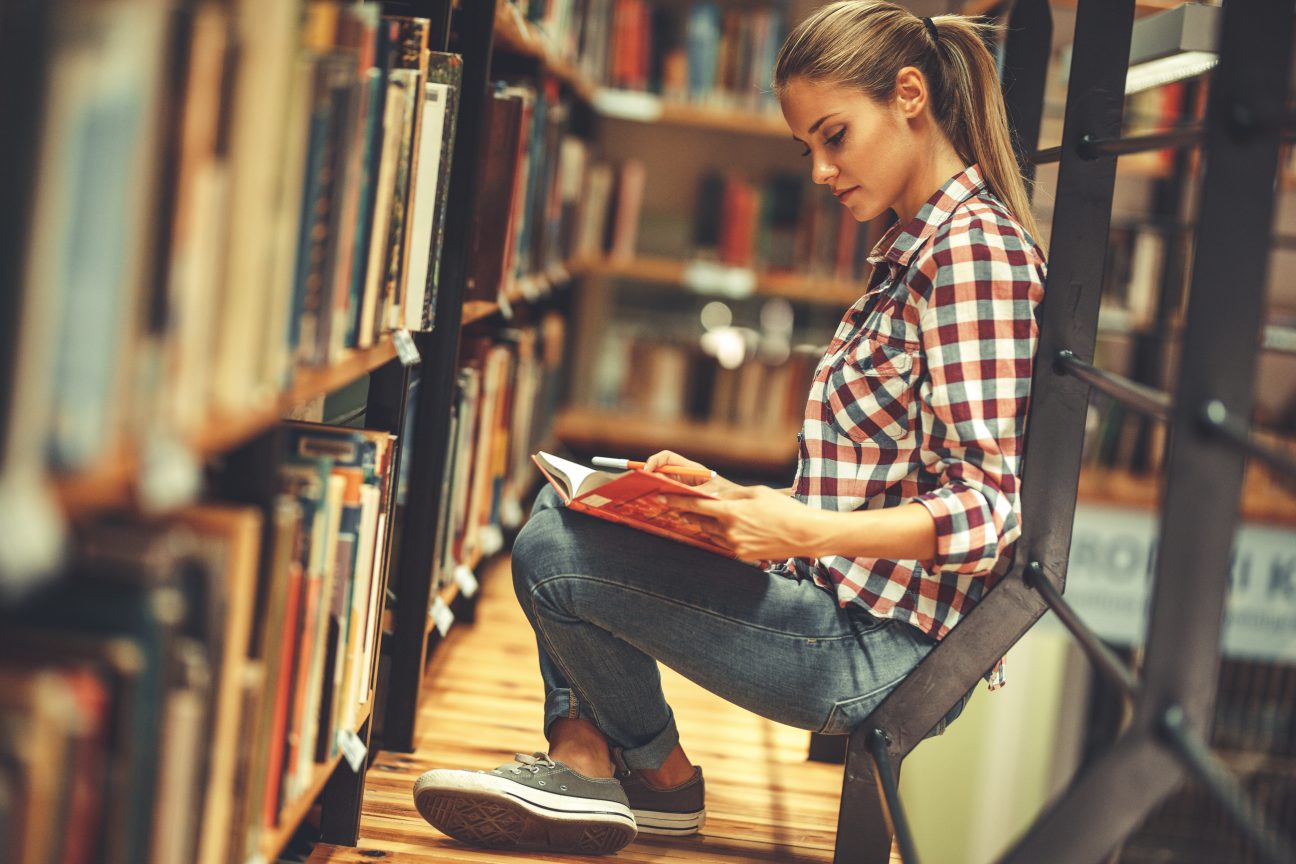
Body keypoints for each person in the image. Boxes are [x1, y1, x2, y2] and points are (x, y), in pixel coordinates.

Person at [412, 1, 1047, 855]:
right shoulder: (918, 250)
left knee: (554, 554)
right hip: (843, 603)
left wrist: (798, 528)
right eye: (807, 148)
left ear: (908, 96)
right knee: (578, 512)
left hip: (876, 651)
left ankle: (621, 767)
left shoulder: (972, 255)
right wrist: (733, 501)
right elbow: (882, 481)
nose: (821, 171)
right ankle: (609, 768)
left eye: (834, 136)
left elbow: (989, 513)